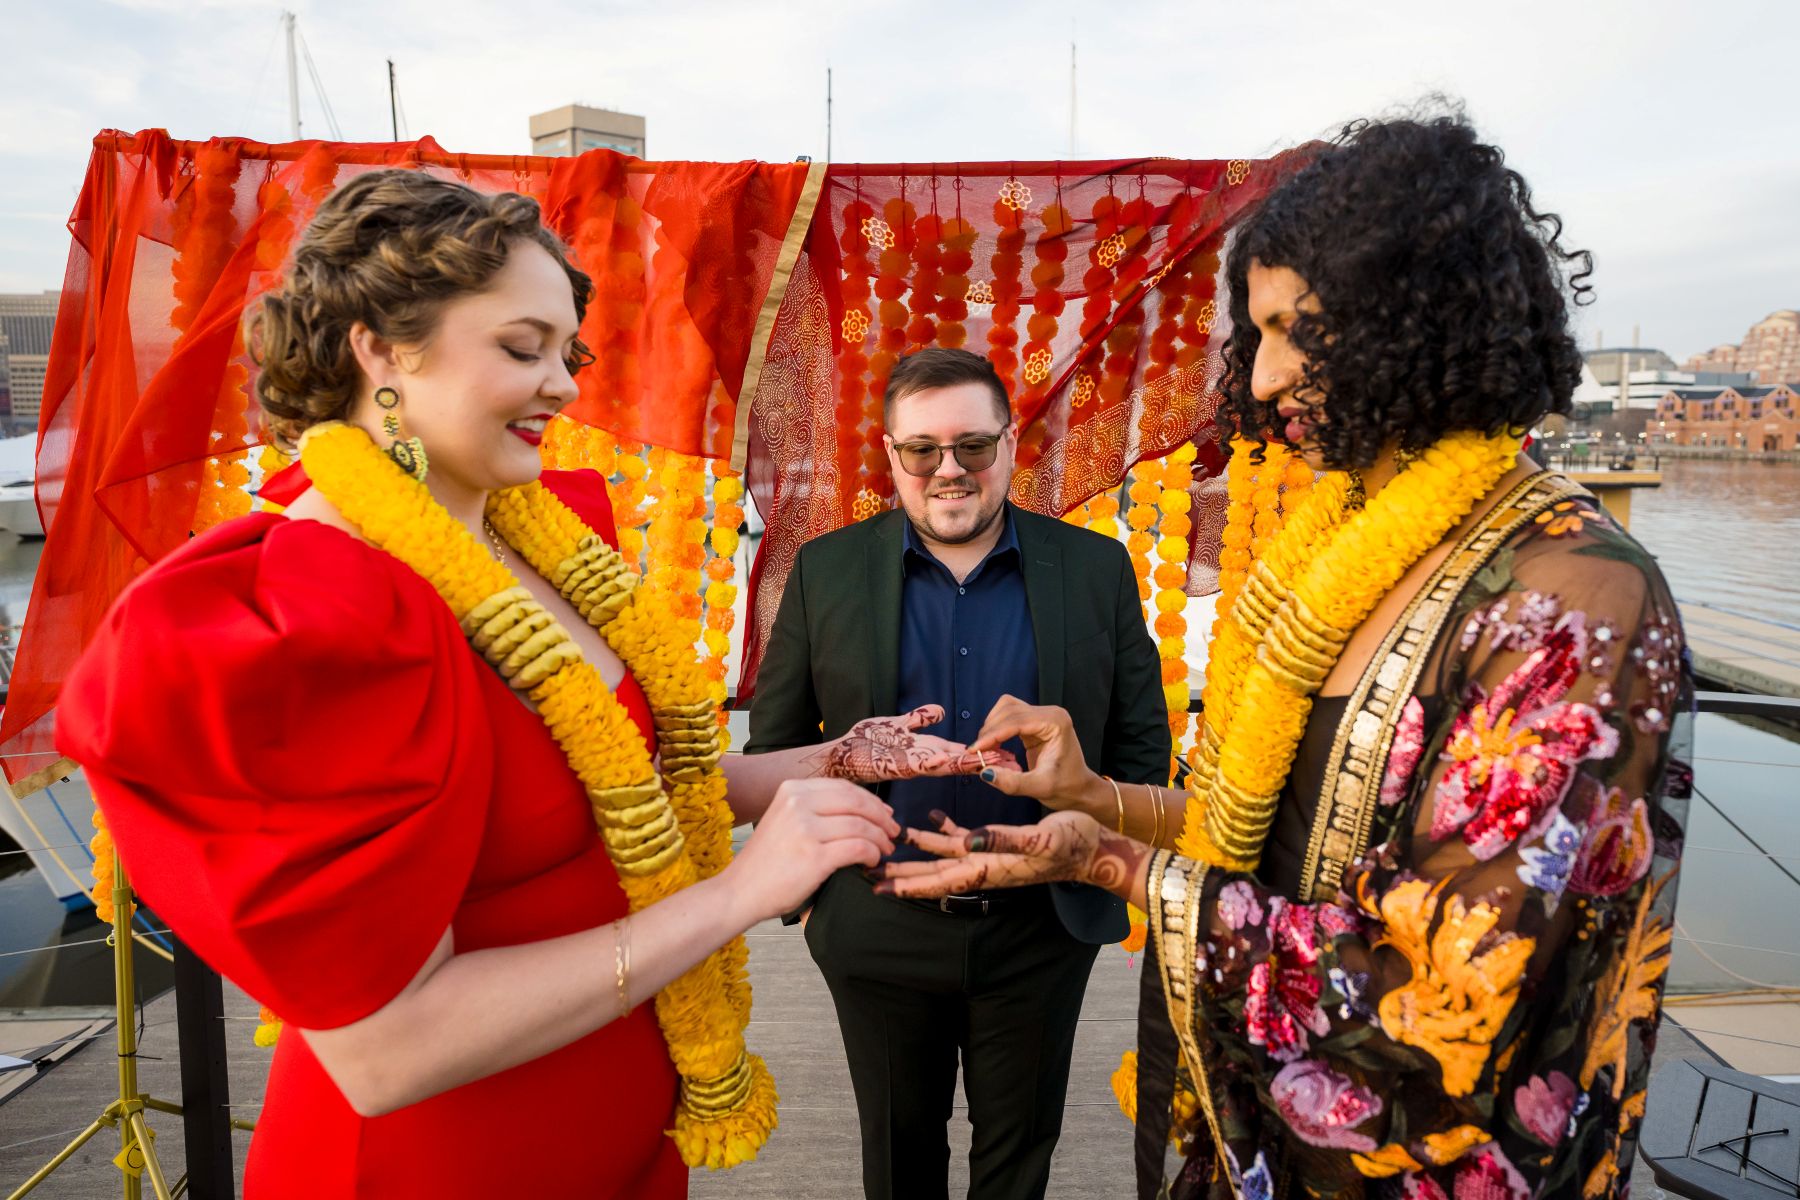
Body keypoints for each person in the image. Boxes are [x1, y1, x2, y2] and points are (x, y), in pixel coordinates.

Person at [55, 169, 993, 1199]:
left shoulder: (527, 534)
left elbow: (587, 783)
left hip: (623, 1131)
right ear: (380, 350)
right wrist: (737, 895)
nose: (560, 384)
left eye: (566, 352)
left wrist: (818, 763)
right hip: (443, 1163)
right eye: (520, 347)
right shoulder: (311, 611)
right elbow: (384, 1052)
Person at [875, 114, 1692, 1200]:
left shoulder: (1572, 598)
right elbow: (1276, 846)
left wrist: (1109, 866)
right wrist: (1100, 799)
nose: (1260, 381)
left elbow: (1440, 1006)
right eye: (1254, 336)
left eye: (1295, 331)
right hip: (1252, 1137)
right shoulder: (1345, 551)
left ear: (1416, 315)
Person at [747, 346, 1171, 1199]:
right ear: (891, 453)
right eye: (923, 449)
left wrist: (1096, 840)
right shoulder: (825, 569)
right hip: (876, 921)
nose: (950, 469)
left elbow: (1141, 746)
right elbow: (777, 747)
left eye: (973, 446)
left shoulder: (1095, 569)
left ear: (1010, 448)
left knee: (1019, 1162)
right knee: (898, 1164)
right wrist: (815, 896)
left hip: (1040, 928)